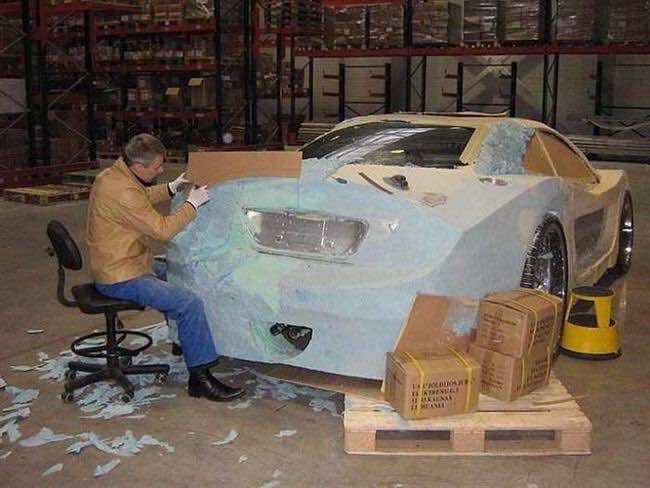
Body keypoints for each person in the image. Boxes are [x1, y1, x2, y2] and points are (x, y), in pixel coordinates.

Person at [86, 133, 245, 402]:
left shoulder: (114, 176)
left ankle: (184, 340)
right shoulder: (123, 191)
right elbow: (163, 230)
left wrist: (172, 187)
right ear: (139, 166)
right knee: (188, 303)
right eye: (158, 167)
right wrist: (191, 204)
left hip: (121, 261)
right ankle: (200, 378)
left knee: (182, 271)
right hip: (120, 275)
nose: (161, 170)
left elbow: (141, 196)